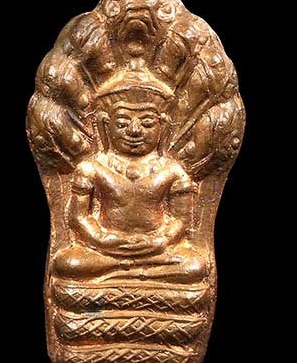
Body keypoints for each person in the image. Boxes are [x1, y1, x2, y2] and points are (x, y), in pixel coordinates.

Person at [54, 68, 207, 284]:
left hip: (157, 249)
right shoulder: (91, 168)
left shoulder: (172, 171)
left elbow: (181, 219)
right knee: (68, 264)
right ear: (105, 125)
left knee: (195, 266)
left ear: (163, 126)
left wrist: (162, 240)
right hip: (105, 248)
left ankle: (122, 272)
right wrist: (102, 239)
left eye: (147, 123)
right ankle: (135, 272)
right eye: (122, 123)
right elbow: (78, 218)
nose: (134, 131)